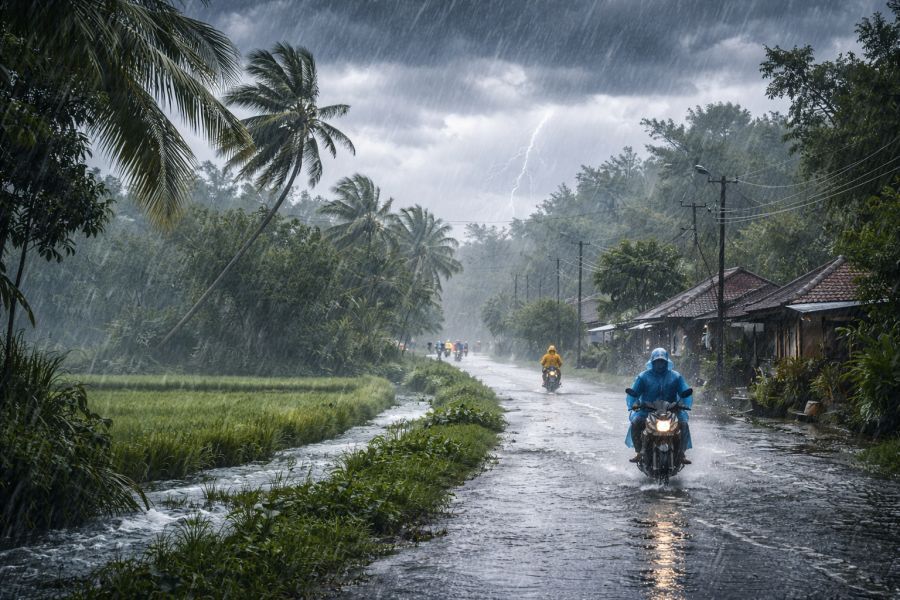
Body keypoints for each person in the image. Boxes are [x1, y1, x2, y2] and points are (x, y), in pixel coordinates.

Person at [625, 347, 693, 464]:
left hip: (671, 411)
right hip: (647, 411)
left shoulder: (676, 377)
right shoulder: (643, 377)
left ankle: (681, 453)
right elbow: (634, 393)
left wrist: (683, 399)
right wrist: (635, 404)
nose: (660, 364)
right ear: (652, 362)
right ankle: (639, 452)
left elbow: (684, 391)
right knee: (636, 423)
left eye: (662, 361)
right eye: (657, 361)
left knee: (683, 424)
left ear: (666, 362)